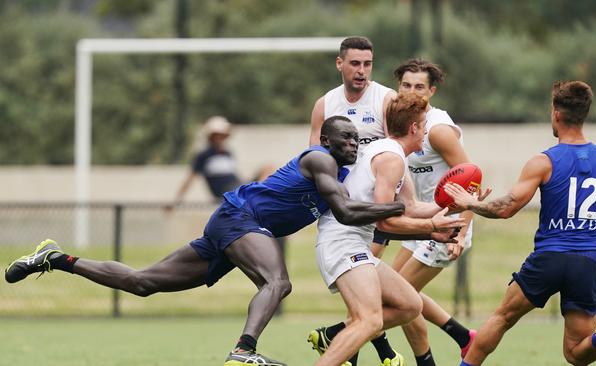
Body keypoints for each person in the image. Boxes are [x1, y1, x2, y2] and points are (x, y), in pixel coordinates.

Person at [5, 116, 411, 366]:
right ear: (326, 142)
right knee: (278, 282)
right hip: (241, 218)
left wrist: (422, 218)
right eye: (346, 139)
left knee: (142, 283)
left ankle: (56, 258)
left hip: (235, 226)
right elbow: (346, 212)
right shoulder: (321, 161)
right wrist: (400, 208)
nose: (353, 146)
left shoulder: (341, 173)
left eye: (357, 140)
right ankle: (243, 351)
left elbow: (359, 212)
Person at [444, 81, 596, 366]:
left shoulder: (544, 162)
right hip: (588, 261)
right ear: (584, 114)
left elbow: (507, 208)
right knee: (576, 353)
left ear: (556, 114)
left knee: (501, 318)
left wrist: (470, 203)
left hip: (549, 258)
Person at [312, 93, 467, 366]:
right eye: (424, 126)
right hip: (342, 241)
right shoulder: (390, 158)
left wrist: (453, 203)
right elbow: (385, 222)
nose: (426, 133)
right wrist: (432, 228)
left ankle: (335, 336)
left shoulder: (396, 155)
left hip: (356, 242)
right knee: (370, 320)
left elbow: (410, 207)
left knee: (410, 305)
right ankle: (337, 344)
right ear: (414, 128)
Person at [308, 35, 405, 366]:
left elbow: (395, 157)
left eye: (367, 64)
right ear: (340, 64)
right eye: (355, 64)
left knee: (401, 306)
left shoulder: (385, 100)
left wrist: (403, 208)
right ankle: (382, 355)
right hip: (344, 217)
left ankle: (349, 345)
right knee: (372, 310)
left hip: (376, 213)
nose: (362, 71)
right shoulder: (325, 105)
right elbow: (313, 158)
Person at [379, 58, 476, 366]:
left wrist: (459, 231)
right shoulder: (400, 120)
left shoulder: (438, 131)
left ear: (432, 91)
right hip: (421, 220)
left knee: (398, 296)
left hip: (447, 224)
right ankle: (462, 338)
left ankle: (339, 336)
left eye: (419, 86)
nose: (411, 91)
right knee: (398, 292)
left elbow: (472, 177)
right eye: (406, 85)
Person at [172, 116, 241, 204]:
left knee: (264, 170)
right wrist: (175, 202)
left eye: (223, 136)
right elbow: (190, 179)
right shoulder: (204, 155)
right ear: (211, 136)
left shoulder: (227, 153)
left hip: (238, 187)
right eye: (218, 135)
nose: (221, 139)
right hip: (226, 193)